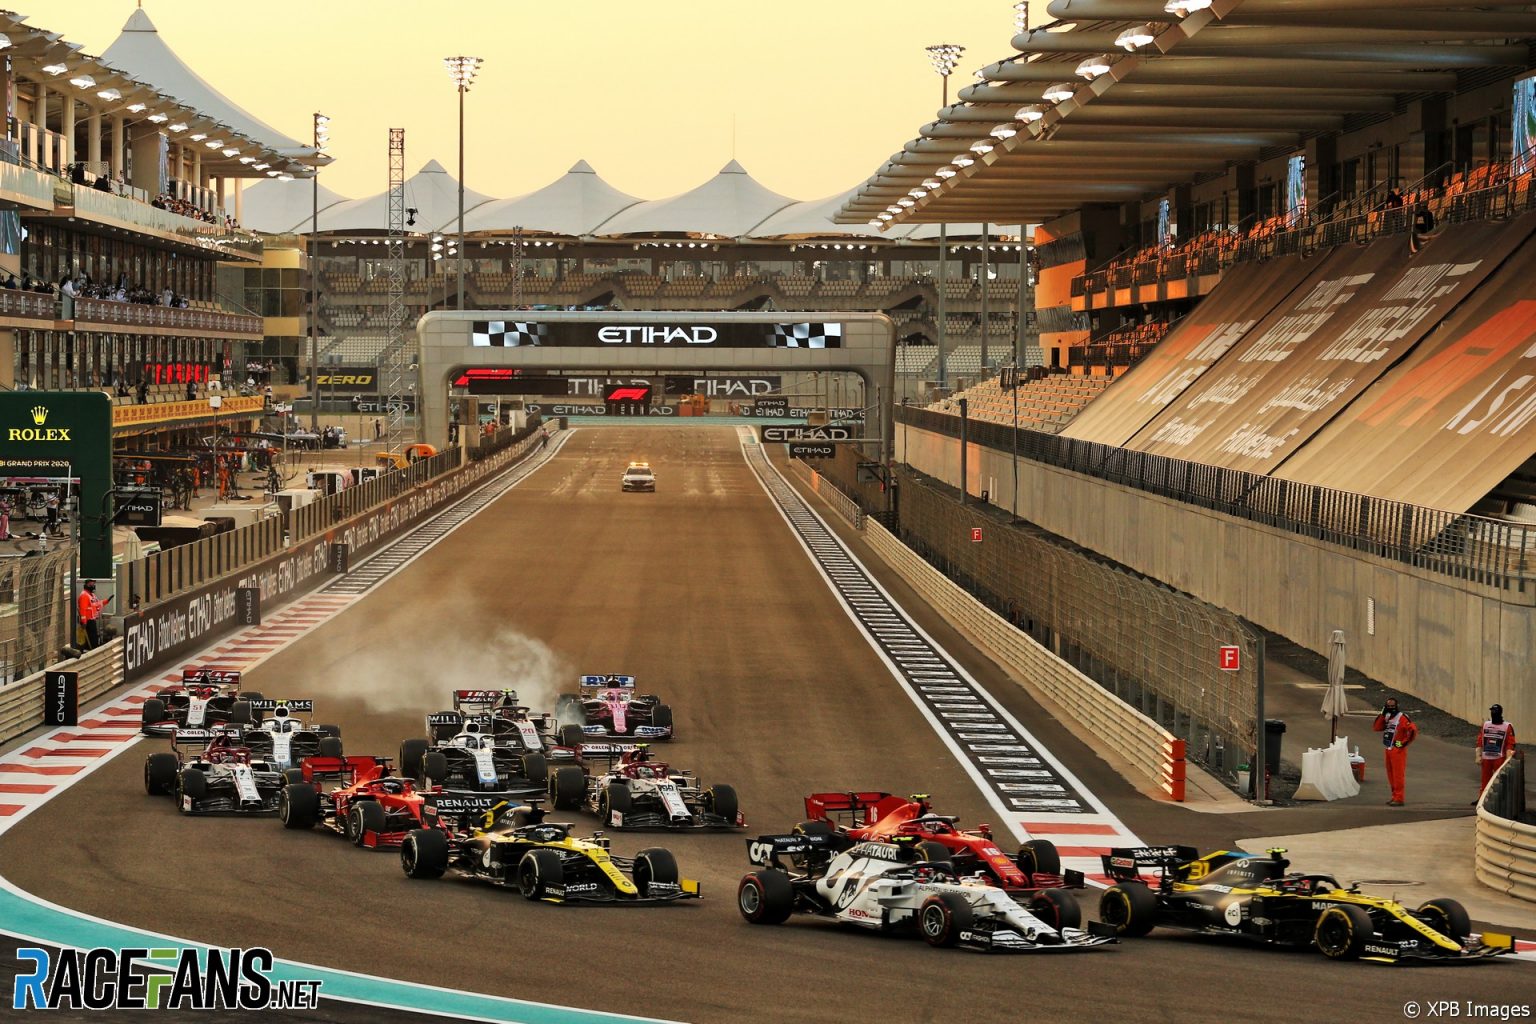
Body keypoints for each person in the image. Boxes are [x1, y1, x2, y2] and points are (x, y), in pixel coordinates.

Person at [1372, 697, 1417, 806]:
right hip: (1388, 748)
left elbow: (1412, 730)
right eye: (1388, 706)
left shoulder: (1402, 717)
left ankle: (1399, 798)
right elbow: (1376, 727)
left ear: (1396, 706)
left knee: (1398, 775)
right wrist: (1382, 714)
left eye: (1392, 706)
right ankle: (1394, 797)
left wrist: (1402, 744)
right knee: (1391, 775)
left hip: (1397, 751)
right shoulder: (1387, 717)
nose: (1390, 708)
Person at [1478, 704, 1517, 797]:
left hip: (1499, 758)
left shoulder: (1507, 726)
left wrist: (1508, 758)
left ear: (1500, 713)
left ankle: (1501, 798)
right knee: (1485, 780)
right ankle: (1482, 798)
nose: (1493, 713)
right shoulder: (1486, 725)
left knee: (1500, 780)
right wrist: (1478, 755)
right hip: (1486, 758)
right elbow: (1480, 740)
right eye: (1492, 711)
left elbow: (1510, 743)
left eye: (1495, 711)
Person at [77, 580, 109, 650]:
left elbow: (97, 604)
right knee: (91, 638)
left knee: (94, 637)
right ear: (86, 584)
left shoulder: (92, 595)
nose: (93, 585)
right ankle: (90, 650)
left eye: (93, 584)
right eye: (90, 584)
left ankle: (93, 648)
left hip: (92, 619)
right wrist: (84, 621)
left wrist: (106, 601)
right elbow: (83, 609)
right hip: (88, 621)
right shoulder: (84, 595)